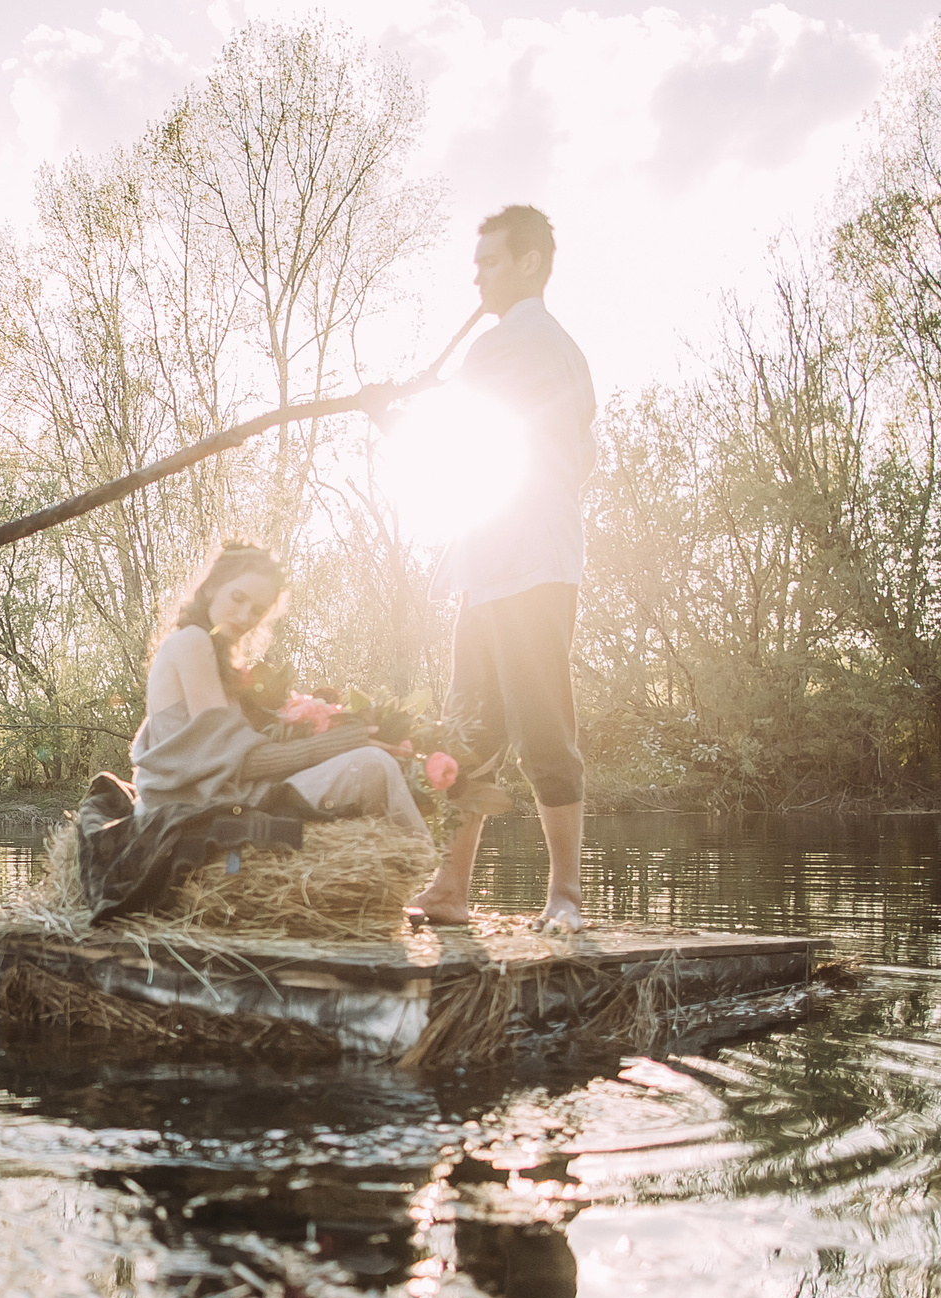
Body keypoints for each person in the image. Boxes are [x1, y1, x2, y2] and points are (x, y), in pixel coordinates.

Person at [404, 204, 598, 931]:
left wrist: (392, 411)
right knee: (468, 731)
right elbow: (580, 456)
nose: (477, 276)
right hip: (488, 568)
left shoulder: (526, 343)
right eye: (477, 262)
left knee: (543, 727)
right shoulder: (547, 350)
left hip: (531, 568)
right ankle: (450, 887)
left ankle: (565, 895)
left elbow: (453, 434)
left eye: (490, 261)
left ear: (531, 263)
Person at [130, 542, 427, 837]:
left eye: (257, 610)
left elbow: (230, 754)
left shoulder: (207, 649)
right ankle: (426, 860)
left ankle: (409, 858)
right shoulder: (193, 641)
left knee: (372, 764)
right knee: (374, 766)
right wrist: (338, 743)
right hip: (197, 807)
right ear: (212, 587)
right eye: (238, 598)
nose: (244, 616)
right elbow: (232, 760)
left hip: (214, 799)